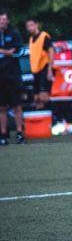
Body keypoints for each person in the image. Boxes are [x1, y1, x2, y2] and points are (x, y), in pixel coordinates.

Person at [0, 11, 25, 145]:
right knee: (2, 107)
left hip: (13, 76)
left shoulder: (14, 33)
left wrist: (7, 52)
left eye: (4, 19)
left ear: (7, 21)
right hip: (1, 77)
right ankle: (3, 135)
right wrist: (5, 51)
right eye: (0, 20)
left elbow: (19, 51)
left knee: (17, 106)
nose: (2, 22)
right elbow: (8, 51)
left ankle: (20, 134)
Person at [25, 19, 54, 112]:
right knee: (36, 98)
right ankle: (40, 121)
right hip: (35, 71)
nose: (30, 28)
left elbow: (51, 51)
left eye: (31, 25)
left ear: (37, 25)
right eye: (28, 26)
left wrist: (50, 69)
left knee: (43, 96)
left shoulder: (43, 36)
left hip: (44, 69)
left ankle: (52, 117)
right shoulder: (31, 39)